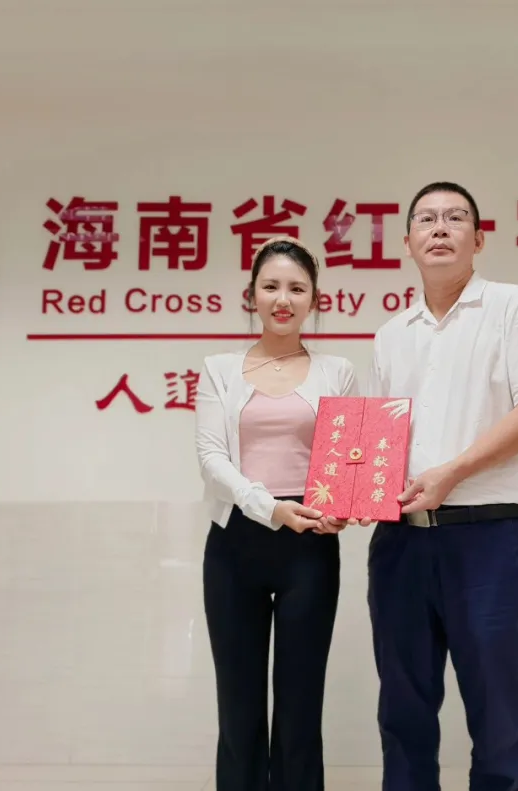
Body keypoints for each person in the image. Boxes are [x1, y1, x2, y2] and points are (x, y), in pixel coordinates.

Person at [359, 182, 518, 791]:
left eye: (455, 218)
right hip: (400, 543)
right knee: (402, 712)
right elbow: (379, 441)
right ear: (408, 242)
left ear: (478, 239)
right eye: (426, 219)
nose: (440, 228)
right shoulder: (390, 334)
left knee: (495, 712)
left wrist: (452, 473)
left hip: (488, 539)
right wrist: (354, 494)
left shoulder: (510, 307)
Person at [194, 237, 357, 791]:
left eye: (296, 288)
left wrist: (344, 506)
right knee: (238, 702)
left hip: (309, 546)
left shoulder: (337, 371)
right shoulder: (219, 369)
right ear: (253, 295)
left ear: (314, 299)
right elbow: (211, 458)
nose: (282, 299)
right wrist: (269, 508)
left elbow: (349, 458)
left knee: (300, 702)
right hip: (235, 542)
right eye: (271, 286)